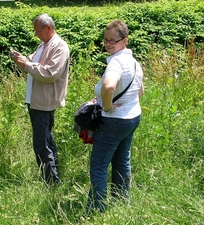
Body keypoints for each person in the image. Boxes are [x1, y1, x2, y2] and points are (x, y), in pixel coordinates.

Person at [87, 19, 144, 212]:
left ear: (124, 41)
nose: (109, 44)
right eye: (106, 40)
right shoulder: (134, 62)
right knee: (121, 160)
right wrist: (125, 102)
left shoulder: (116, 63)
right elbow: (140, 91)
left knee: (99, 166)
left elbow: (109, 85)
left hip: (114, 121)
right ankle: (121, 201)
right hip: (132, 117)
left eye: (114, 40)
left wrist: (108, 106)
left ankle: (97, 209)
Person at [9, 13, 70, 185]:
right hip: (36, 100)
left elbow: (50, 73)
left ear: (48, 28)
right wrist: (20, 60)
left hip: (45, 101)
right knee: (46, 140)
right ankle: (54, 177)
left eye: (38, 31)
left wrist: (27, 65)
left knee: (41, 144)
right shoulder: (44, 45)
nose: (36, 34)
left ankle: (51, 183)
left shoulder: (59, 47)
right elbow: (32, 63)